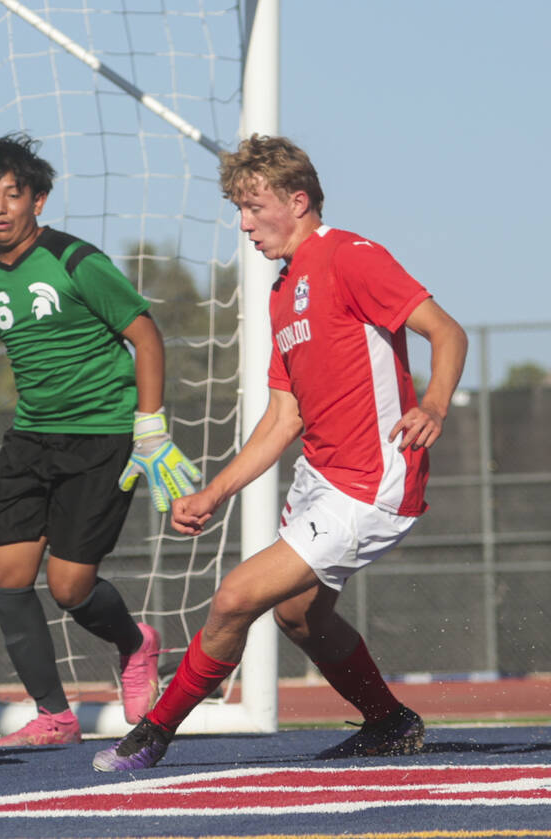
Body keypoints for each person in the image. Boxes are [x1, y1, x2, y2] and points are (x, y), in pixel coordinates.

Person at [93, 134, 469, 772]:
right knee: (298, 616)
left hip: (372, 481)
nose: (243, 224)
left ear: (298, 201)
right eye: (237, 209)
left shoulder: (351, 256)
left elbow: (446, 331)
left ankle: (153, 734)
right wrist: (214, 492)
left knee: (236, 597)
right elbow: (282, 417)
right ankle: (390, 722)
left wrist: (432, 404)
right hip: (323, 477)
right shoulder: (281, 290)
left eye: (252, 207)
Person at [0, 132, 200, 746]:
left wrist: (150, 425)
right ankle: (54, 715)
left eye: (13, 194)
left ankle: (136, 645)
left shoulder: (78, 261)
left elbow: (147, 337)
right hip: (29, 441)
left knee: (69, 587)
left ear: (39, 201)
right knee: (3, 578)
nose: (0, 207)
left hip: (102, 438)